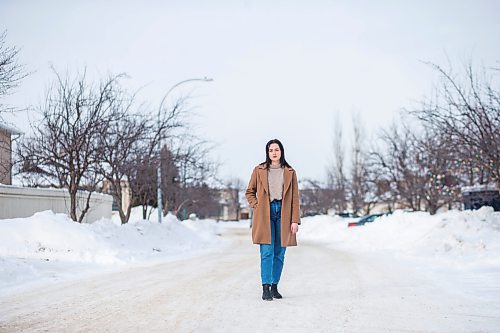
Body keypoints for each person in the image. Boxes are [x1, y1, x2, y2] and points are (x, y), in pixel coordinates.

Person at [245, 139, 301, 301]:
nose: (274, 153)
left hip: (284, 213)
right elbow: (250, 192)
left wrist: (295, 220)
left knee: (280, 253)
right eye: (271, 150)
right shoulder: (259, 170)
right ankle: (265, 287)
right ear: (267, 152)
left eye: (277, 149)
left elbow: (295, 198)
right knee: (267, 252)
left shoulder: (290, 171)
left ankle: (275, 286)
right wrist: (257, 205)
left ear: (281, 151)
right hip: (265, 213)